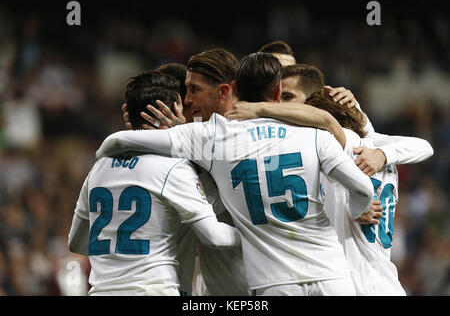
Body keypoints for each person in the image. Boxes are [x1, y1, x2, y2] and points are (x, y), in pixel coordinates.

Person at [96, 52, 376, 296]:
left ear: (227, 90)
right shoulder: (309, 135)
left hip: (267, 281)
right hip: (303, 276)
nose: (188, 100)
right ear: (276, 92)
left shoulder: (210, 138)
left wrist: (131, 138)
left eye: (194, 90)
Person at [225, 66, 434, 295]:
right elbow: (421, 145)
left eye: (288, 98)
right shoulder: (373, 147)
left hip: (353, 284)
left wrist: (258, 109)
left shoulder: (342, 145)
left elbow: (329, 124)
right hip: (386, 284)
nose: (281, 106)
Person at [68, 72, 241, 296]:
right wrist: (253, 232)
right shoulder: (172, 168)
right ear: (170, 110)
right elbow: (215, 237)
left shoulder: (98, 169)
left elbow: (78, 243)